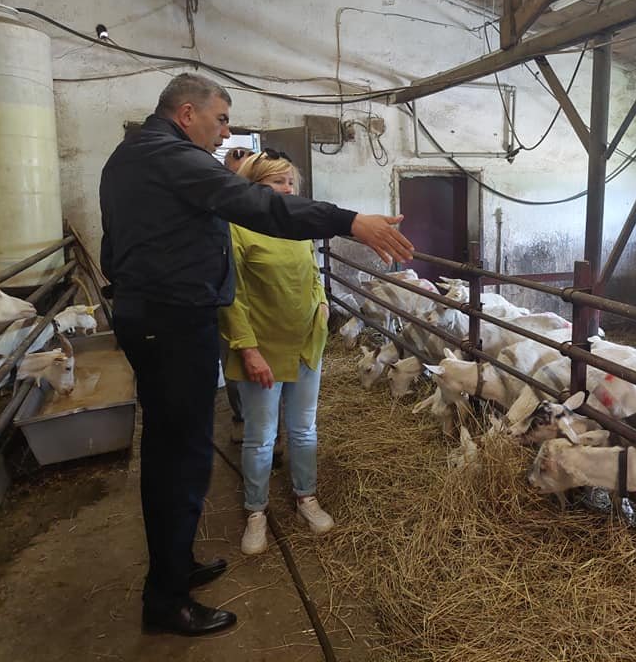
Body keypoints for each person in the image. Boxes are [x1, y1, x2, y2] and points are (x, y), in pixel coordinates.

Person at [99, 72, 412, 637]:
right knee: (181, 456)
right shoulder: (173, 158)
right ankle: (165, 601)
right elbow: (260, 209)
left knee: (175, 449)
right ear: (187, 112)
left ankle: (175, 566)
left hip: (153, 314)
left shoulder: (129, 157)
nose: (225, 133)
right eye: (220, 119)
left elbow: (110, 248)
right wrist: (350, 221)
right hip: (173, 321)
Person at [219, 150, 332, 555]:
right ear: (254, 188)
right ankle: (256, 510)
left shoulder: (299, 228)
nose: (286, 189)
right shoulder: (236, 229)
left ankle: (306, 497)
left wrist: (321, 303)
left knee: (304, 429)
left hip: (306, 343)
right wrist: (248, 349)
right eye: (275, 183)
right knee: (261, 436)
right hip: (261, 348)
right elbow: (232, 296)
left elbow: (313, 271)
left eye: (289, 182)